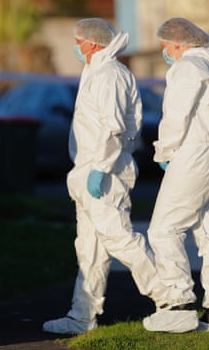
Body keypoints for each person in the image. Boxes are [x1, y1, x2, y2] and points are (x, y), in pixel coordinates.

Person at [42, 18, 168, 335]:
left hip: (106, 170)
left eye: (77, 39)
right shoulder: (96, 70)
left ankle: (171, 299)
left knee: (119, 238)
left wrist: (100, 168)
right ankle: (82, 314)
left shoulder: (109, 74)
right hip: (88, 169)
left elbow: (115, 128)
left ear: (92, 43)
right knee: (89, 247)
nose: (75, 44)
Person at [142, 18, 209, 334]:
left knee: (163, 230)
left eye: (165, 46)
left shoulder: (186, 69)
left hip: (195, 154)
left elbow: (175, 117)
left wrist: (164, 152)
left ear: (179, 44)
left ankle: (180, 305)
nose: (165, 52)